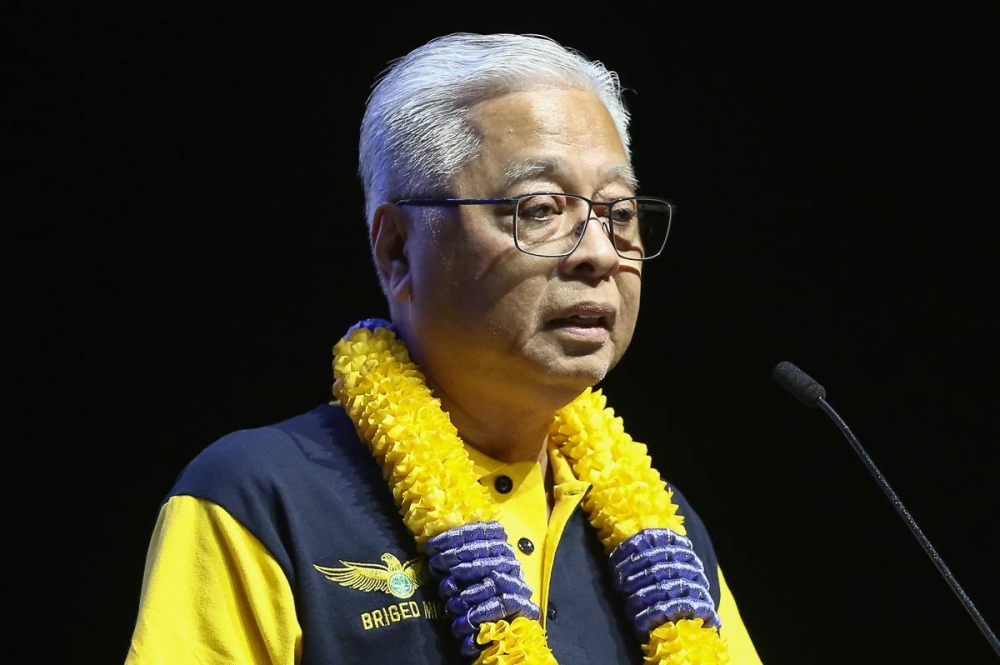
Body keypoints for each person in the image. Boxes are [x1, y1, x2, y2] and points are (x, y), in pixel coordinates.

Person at [124, 32, 763, 664]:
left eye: (619, 212)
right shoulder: (264, 499)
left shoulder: (669, 539)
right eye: (540, 208)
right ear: (397, 249)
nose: (599, 251)